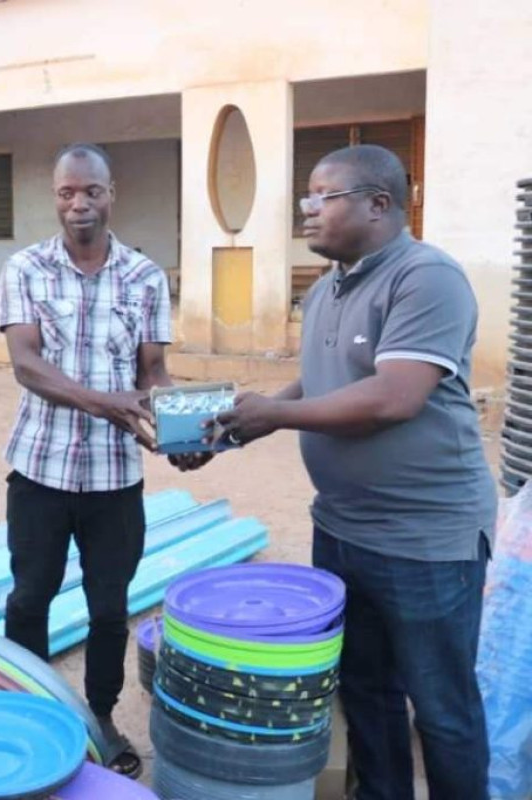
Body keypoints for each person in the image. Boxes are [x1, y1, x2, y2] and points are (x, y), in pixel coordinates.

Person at [214, 144, 495, 800]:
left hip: (425, 540)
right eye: (306, 197)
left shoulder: (426, 278)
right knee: (366, 691)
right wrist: (240, 424)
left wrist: (276, 416)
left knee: (442, 709)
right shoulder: (326, 290)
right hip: (342, 530)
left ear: (378, 204)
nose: (307, 210)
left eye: (323, 196)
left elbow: (395, 396)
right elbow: (319, 383)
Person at [0, 143, 209, 778]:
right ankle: (31, 710)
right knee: (29, 598)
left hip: (115, 477)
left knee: (110, 607)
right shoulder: (25, 268)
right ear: (55, 197)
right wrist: (106, 403)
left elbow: (154, 372)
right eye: (67, 192)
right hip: (40, 469)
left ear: (111, 193)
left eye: (91, 191)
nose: (79, 204)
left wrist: (184, 432)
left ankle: (100, 714)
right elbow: (26, 365)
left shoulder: (145, 277)